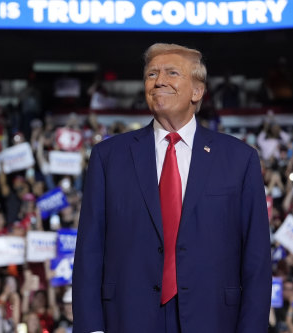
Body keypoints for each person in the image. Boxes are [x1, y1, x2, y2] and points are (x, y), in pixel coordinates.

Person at [72, 43, 271, 332]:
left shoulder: (240, 159)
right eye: (151, 74)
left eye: (172, 73)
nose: (159, 80)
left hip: (214, 319)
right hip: (127, 317)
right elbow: (89, 251)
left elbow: (257, 259)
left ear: (197, 91)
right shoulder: (108, 157)